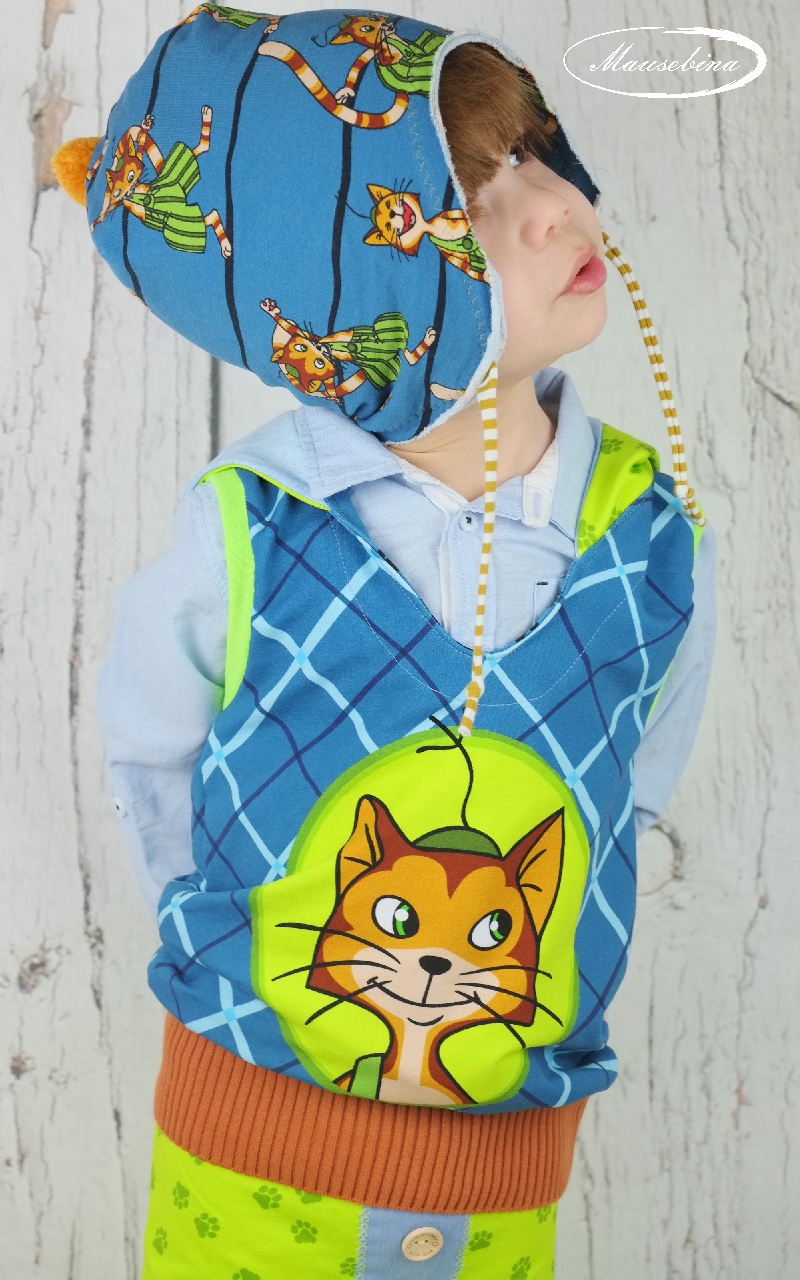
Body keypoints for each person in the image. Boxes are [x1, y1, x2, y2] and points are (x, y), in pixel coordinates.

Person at [53, 8, 714, 1277]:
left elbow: (624, 796)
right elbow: (154, 758)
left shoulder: (652, 534)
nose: (553, 209)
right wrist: (228, 951)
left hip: (507, 1166)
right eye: (471, 203)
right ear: (337, 289)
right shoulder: (248, 529)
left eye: (533, 153)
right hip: (246, 1155)